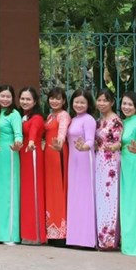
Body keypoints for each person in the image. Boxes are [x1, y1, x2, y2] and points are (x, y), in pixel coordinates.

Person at [65, 89, 97, 249]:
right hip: (74, 160)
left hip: (85, 159)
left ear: (88, 104)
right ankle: (75, 238)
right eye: (76, 102)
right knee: (75, 197)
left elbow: (91, 140)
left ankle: (87, 240)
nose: (79, 105)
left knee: (85, 197)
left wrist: (84, 147)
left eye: (82, 102)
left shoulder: (89, 119)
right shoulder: (73, 119)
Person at [93, 88, 122, 250]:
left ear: (112, 102)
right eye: (99, 100)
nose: (102, 103)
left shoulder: (115, 121)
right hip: (99, 161)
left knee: (110, 199)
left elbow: (118, 142)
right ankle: (100, 238)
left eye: (105, 100)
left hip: (111, 163)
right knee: (101, 200)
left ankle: (109, 240)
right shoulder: (99, 120)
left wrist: (115, 146)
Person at [119, 91, 136, 256]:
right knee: (126, 201)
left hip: (135, 161)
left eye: (130, 104)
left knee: (135, 201)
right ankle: (127, 241)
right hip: (124, 162)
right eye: (124, 103)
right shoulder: (122, 122)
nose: (126, 107)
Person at [18, 87, 46, 245]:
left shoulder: (36, 118)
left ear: (35, 102)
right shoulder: (23, 116)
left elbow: (34, 132)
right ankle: (26, 232)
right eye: (22, 98)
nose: (25, 101)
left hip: (33, 153)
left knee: (33, 192)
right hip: (24, 155)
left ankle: (35, 234)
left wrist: (30, 142)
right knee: (25, 193)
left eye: (28, 99)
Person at [0, 84, 22, 244]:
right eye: (2, 96)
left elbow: (18, 134)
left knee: (9, 191)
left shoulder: (14, 114)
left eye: (8, 97)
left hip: (10, 152)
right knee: (0, 193)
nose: (5, 99)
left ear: (12, 99)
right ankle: (0, 233)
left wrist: (18, 143)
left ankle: (11, 234)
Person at [42, 87, 69, 242]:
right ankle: (51, 231)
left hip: (58, 152)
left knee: (58, 189)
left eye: (58, 98)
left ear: (64, 101)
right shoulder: (50, 116)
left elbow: (62, 132)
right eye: (52, 98)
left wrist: (59, 142)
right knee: (50, 189)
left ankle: (61, 233)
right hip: (48, 154)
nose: (54, 101)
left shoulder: (63, 115)